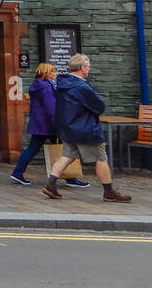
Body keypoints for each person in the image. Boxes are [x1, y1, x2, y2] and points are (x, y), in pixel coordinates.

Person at [43, 53, 131, 202]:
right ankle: (108, 192)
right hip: (85, 128)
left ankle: (50, 184)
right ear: (82, 67)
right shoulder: (81, 86)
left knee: (67, 157)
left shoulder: (63, 83)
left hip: (68, 127)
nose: (89, 69)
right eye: (88, 66)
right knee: (101, 158)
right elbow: (99, 106)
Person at [11, 63, 63, 184]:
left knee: (32, 149)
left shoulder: (38, 85)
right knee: (65, 152)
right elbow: (51, 108)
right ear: (46, 73)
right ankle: (71, 177)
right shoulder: (46, 88)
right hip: (48, 125)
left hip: (39, 124)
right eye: (53, 71)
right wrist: (57, 124)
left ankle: (17, 173)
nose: (55, 73)